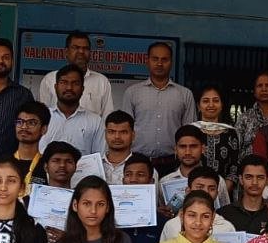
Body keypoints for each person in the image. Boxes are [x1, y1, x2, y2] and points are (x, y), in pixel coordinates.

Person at [119, 41, 196, 175]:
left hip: (174, 163)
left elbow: (190, 132)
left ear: (171, 62)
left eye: (164, 59)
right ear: (147, 61)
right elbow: (125, 130)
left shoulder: (185, 94)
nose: (159, 63)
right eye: (155, 59)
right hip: (139, 163)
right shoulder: (132, 92)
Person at [158, 125, 231, 215]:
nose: (188, 152)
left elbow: (226, 212)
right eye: (183, 146)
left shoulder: (217, 181)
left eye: (193, 146)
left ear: (203, 149)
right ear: (176, 150)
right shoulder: (165, 182)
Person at [38, 32, 114, 117]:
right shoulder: (49, 79)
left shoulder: (101, 81)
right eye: (76, 48)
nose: (81, 51)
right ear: (66, 52)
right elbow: (41, 117)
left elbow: (107, 119)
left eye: (85, 48)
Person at [40, 64, 105, 156]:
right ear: (55, 87)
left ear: (82, 89)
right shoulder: (42, 118)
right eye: (64, 82)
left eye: (75, 83)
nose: (69, 88)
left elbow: (99, 157)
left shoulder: (95, 121)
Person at [161, 166, 237, 240]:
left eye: (211, 189)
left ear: (217, 193)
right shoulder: (171, 226)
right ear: (188, 191)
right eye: (200, 187)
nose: (206, 192)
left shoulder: (226, 227)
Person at [193, 84, 242, 186]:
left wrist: (225, 189)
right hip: (194, 188)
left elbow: (234, 165)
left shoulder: (231, 132)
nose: (211, 105)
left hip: (223, 188)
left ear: (221, 105)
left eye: (215, 101)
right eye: (206, 101)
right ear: (198, 106)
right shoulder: (191, 131)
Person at [219, 154, 268, 235]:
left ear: (267, 179)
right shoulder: (224, 214)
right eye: (249, 177)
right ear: (241, 179)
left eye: (260, 177)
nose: (254, 182)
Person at [235, 72, 268, 158]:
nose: (264, 89)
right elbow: (235, 149)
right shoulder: (244, 118)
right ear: (254, 92)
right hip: (249, 168)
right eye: (259, 86)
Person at [14, 101, 52, 195]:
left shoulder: (48, 167)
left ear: (44, 129)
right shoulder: (3, 163)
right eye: (20, 122)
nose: (24, 127)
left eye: (31, 123)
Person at [96, 111, 138, 185]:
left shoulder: (144, 169)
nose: (117, 137)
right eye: (111, 132)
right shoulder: (93, 165)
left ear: (133, 135)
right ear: (105, 134)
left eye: (123, 132)